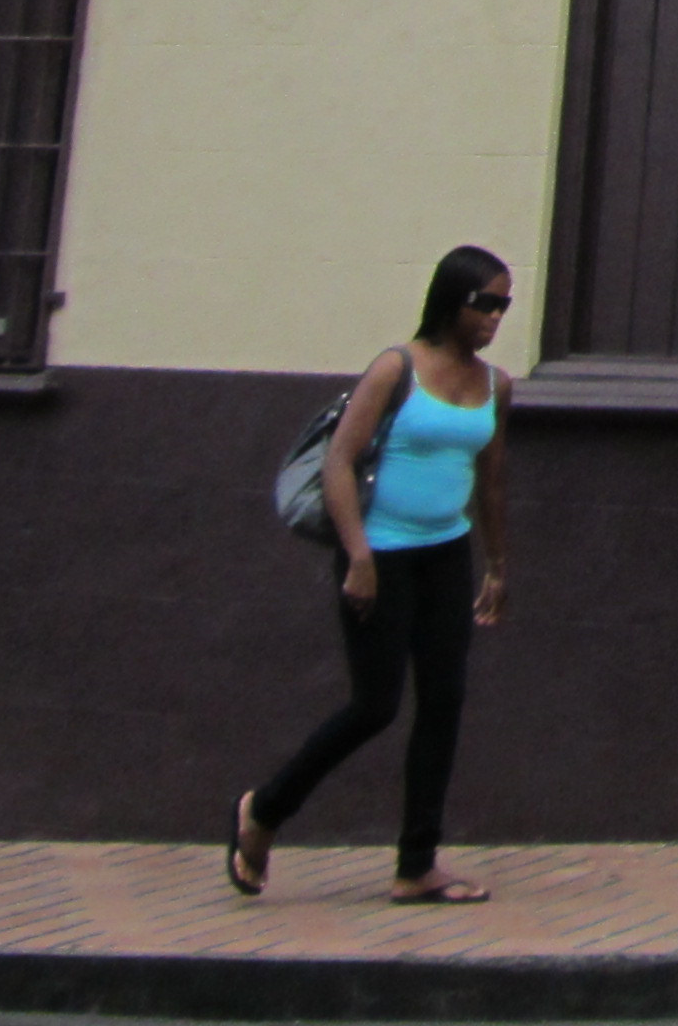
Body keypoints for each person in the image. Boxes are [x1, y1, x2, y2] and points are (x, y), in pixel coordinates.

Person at [229, 247, 515, 904]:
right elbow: (339, 462)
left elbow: (493, 483)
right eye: (485, 304)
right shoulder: (397, 369)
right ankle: (264, 812)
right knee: (375, 705)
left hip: (448, 553)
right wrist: (358, 555)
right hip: (379, 554)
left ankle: (416, 865)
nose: (495, 317)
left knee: (443, 704)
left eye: (503, 305)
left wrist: (498, 565)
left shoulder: (496, 386)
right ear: (452, 301)